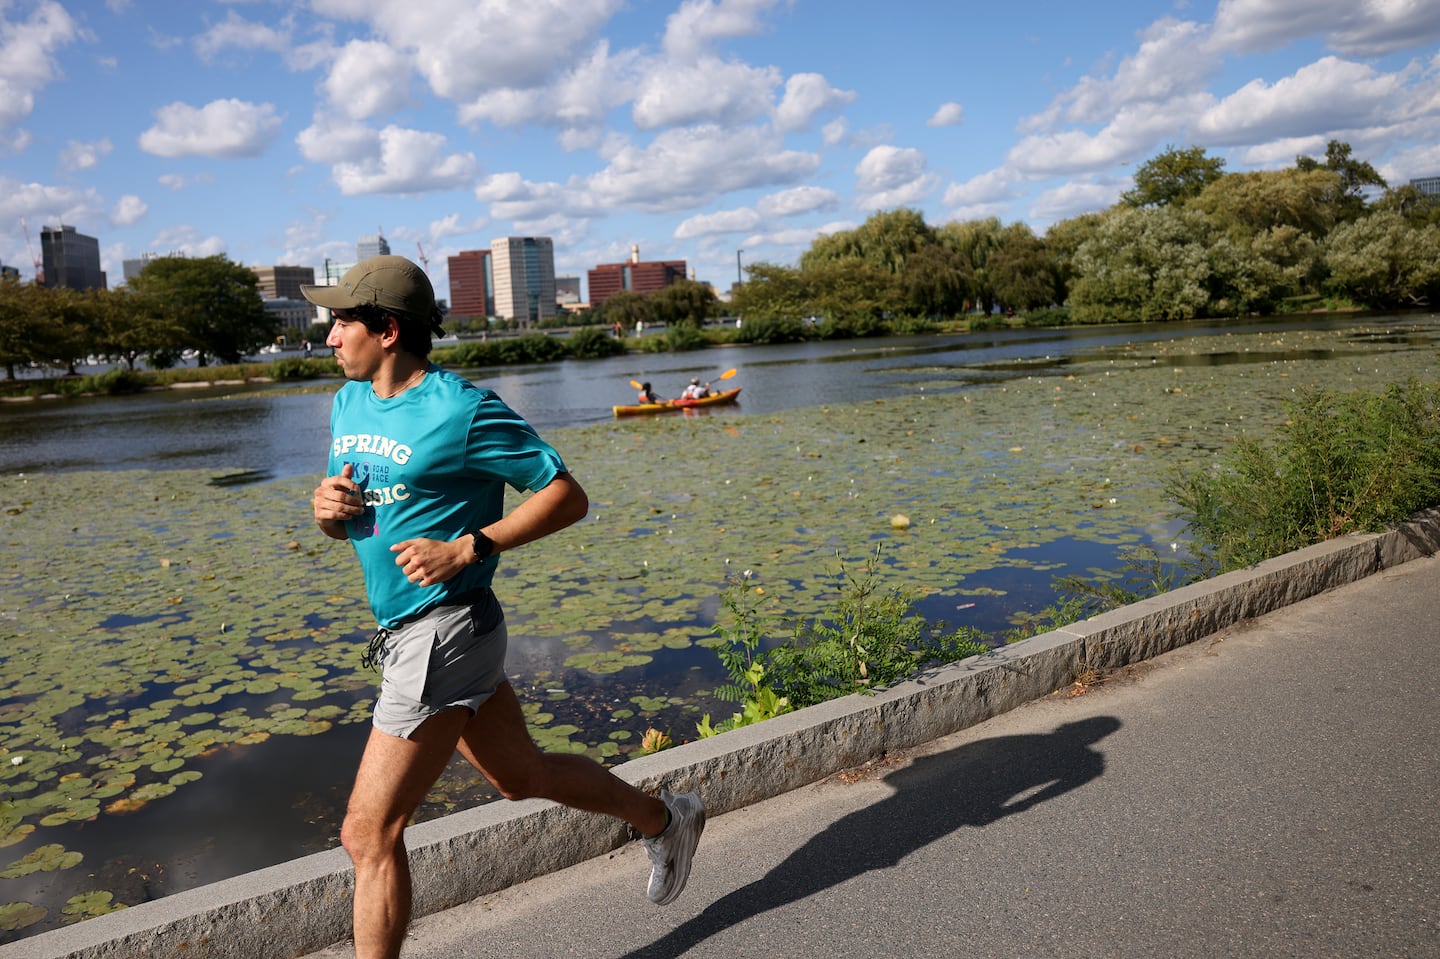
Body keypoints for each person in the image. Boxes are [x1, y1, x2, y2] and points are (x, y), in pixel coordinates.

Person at [302, 256, 705, 959]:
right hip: (414, 630)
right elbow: (356, 511)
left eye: (341, 322)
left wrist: (470, 547)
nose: (330, 336)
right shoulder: (349, 402)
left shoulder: (461, 409)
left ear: (387, 330)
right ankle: (665, 819)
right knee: (520, 776)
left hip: (446, 629)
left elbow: (565, 495)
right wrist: (328, 511)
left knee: (368, 833)